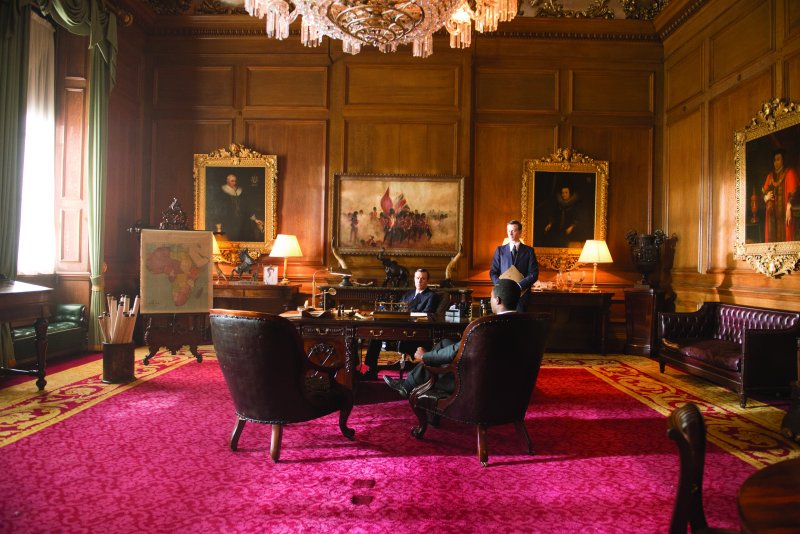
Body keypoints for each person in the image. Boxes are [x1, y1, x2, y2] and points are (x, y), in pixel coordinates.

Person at [383, 279, 521, 398]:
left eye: (491, 298)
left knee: (441, 357)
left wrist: (425, 356)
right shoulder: (523, 323)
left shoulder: (487, 326)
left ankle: (409, 385)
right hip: (504, 377)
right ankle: (409, 383)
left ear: (497, 300)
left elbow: (457, 351)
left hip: (473, 379)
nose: (490, 301)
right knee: (444, 343)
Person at [360, 268, 439, 380]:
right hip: (399, 328)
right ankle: (370, 370)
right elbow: (397, 310)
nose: (419, 281)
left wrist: (408, 314)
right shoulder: (408, 294)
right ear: (414, 279)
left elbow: (427, 314)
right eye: (417, 278)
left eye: (423, 278)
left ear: (427, 281)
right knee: (375, 336)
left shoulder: (431, 296)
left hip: (415, 332)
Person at [489, 219, 539, 311]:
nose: (510, 233)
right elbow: (493, 272)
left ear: (520, 232)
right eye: (508, 231)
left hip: (522, 296)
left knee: (520, 320)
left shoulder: (529, 251)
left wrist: (519, 286)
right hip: (503, 297)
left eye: (513, 230)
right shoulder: (500, 250)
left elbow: (534, 274)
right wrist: (501, 285)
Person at [211, 173, 265, 242]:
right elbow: (218, 208)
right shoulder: (222, 192)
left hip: (242, 221)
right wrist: (218, 225)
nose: (234, 183)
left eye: (235, 181)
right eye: (232, 181)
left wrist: (255, 219)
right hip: (229, 221)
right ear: (227, 181)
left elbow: (247, 206)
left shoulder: (240, 191)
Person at [762, 148, 799, 242]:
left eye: (778, 159)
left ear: (783, 160)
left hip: (785, 214)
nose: (776, 162)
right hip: (772, 217)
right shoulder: (770, 176)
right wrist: (766, 197)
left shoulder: (789, 173)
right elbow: (764, 194)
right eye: (774, 160)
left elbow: (795, 194)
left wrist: (788, 207)